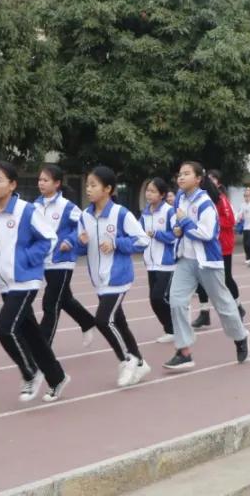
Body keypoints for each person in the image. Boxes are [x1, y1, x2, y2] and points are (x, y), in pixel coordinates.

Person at [0, 162, 70, 402]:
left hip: (25, 281)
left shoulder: (26, 210)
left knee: (4, 329)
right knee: (32, 334)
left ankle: (30, 372)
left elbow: (48, 238)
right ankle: (57, 377)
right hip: (4, 282)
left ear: (12, 184)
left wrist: (26, 259)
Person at [164, 162, 250, 370]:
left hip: (208, 261)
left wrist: (184, 224)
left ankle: (240, 337)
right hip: (186, 259)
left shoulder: (205, 203)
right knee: (176, 301)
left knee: (223, 304)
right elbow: (179, 225)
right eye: (180, 174)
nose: (181, 177)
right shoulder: (179, 200)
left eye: (186, 174)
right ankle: (184, 351)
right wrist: (177, 228)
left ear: (198, 179)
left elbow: (207, 233)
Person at [77, 166, 151, 387]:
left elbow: (142, 240)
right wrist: (78, 244)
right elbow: (83, 249)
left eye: (93, 185)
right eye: (87, 185)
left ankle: (127, 359)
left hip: (117, 278)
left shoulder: (121, 214)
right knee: (119, 322)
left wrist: (117, 243)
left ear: (108, 189)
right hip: (99, 279)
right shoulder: (84, 216)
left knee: (102, 320)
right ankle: (140, 363)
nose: (88, 189)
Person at [33, 164, 97, 348]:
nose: (41, 183)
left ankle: (43, 347)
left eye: (45, 180)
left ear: (57, 183)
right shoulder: (34, 206)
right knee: (65, 299)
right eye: (40, 180)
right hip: (43, 261)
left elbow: (82, 227)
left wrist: (69, 241)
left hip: (62, 261)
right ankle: (87, 321)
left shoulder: (67, 206)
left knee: (50, 303)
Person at [192, 169, 244, 328]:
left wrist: (210, 220)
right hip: (206, 246)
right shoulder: (199, 201)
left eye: (213, 179)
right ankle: (204, 312)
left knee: (226, 279)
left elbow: (230, 221)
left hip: (223, 245)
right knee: (200, 279)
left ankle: (238, 307)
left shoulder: (221, 199)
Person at [141, 177, 176, 344]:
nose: (149, 194)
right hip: (150, 262)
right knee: (153, 300)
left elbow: (175, 236)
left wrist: (156, 234)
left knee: (158, 297)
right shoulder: (145, 212)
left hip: (166, 263)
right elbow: (139, 233)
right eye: (148, 190)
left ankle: (175, 327)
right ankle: (171, 329)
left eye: (153, 191)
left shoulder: (169, 211)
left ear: (162, 194)